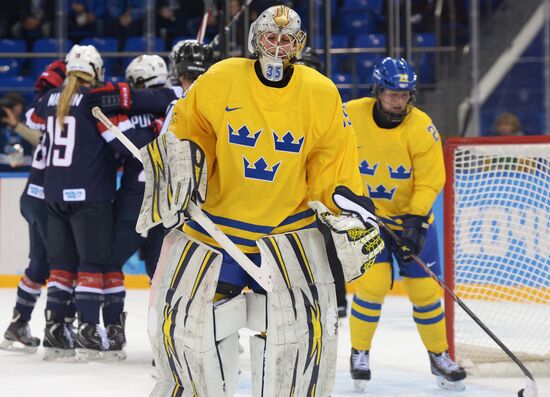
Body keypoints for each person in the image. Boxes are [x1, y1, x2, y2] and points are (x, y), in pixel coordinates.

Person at [137, 5, 384, 397]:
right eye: (271, 38)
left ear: (298, 45)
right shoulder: (221, 77)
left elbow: (332, 159)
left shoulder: (320, 92)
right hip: (216, 232)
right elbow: (190, 125)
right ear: (256, 39)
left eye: (287, 40)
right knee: (193, 326)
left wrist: (347, 205)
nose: (278, 46)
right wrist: (187, 158)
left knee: (296, 335)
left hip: (287, 237)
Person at [344, 57, 467, 391]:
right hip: (367, 220)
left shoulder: (421, 126)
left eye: (404, 94)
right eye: (391, 93)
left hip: (411, 219)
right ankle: (360, 352)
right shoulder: (350, 114)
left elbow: (430, 179)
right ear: (377, 91)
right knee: (373, 286)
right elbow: (329, 151)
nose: (398, 100)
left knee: (426, 291)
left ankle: (439, 355)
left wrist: (415, 221)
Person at [33, 44, 151, 361]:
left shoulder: (48, 100)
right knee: (93, 265)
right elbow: (125, 145)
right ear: (96, 72)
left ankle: (55, 330)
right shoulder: (95, 101)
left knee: (60, 266)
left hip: (53, 194)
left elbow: (33, 119)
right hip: (91, 195)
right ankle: (88, 329)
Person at [0, 60, 66, 354]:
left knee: (40, 264)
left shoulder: (41, 110)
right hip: (43, 199)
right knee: (65, 263)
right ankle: (60, 328)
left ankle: (18, 323)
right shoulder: (59, 113)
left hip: (32, 196)